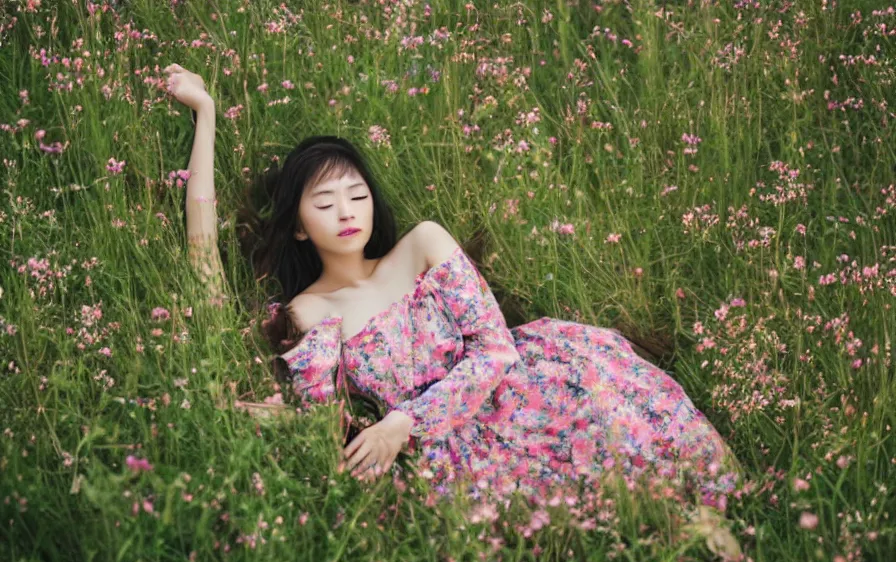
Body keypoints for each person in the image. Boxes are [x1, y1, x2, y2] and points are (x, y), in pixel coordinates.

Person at [163, 63, 740, 509]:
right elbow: (204, 264)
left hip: (518, 390)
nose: (347, 211)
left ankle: (716, 520)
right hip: (448, 454)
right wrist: (206, 115)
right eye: (325, 200)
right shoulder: (312, 312)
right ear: (297, 224)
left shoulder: (422, 245)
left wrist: (404, 420)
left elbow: (495, 349)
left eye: (357, 194)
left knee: (617, 415)